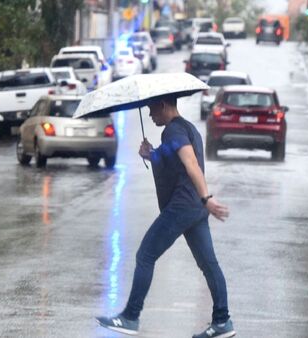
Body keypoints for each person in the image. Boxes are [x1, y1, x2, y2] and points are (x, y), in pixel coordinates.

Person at [95, 95, 235, 338]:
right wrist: (151, 154)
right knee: (208, 263)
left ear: (162, 105)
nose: (150, 114)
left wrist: (207, 198)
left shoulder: (173, 131)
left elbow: (191, 163)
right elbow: (174, 160)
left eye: (151, 109)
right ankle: (222, 322)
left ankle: (130, 317)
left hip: (184, 206)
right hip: (194, 208)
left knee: (146, 254)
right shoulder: (186, 129)